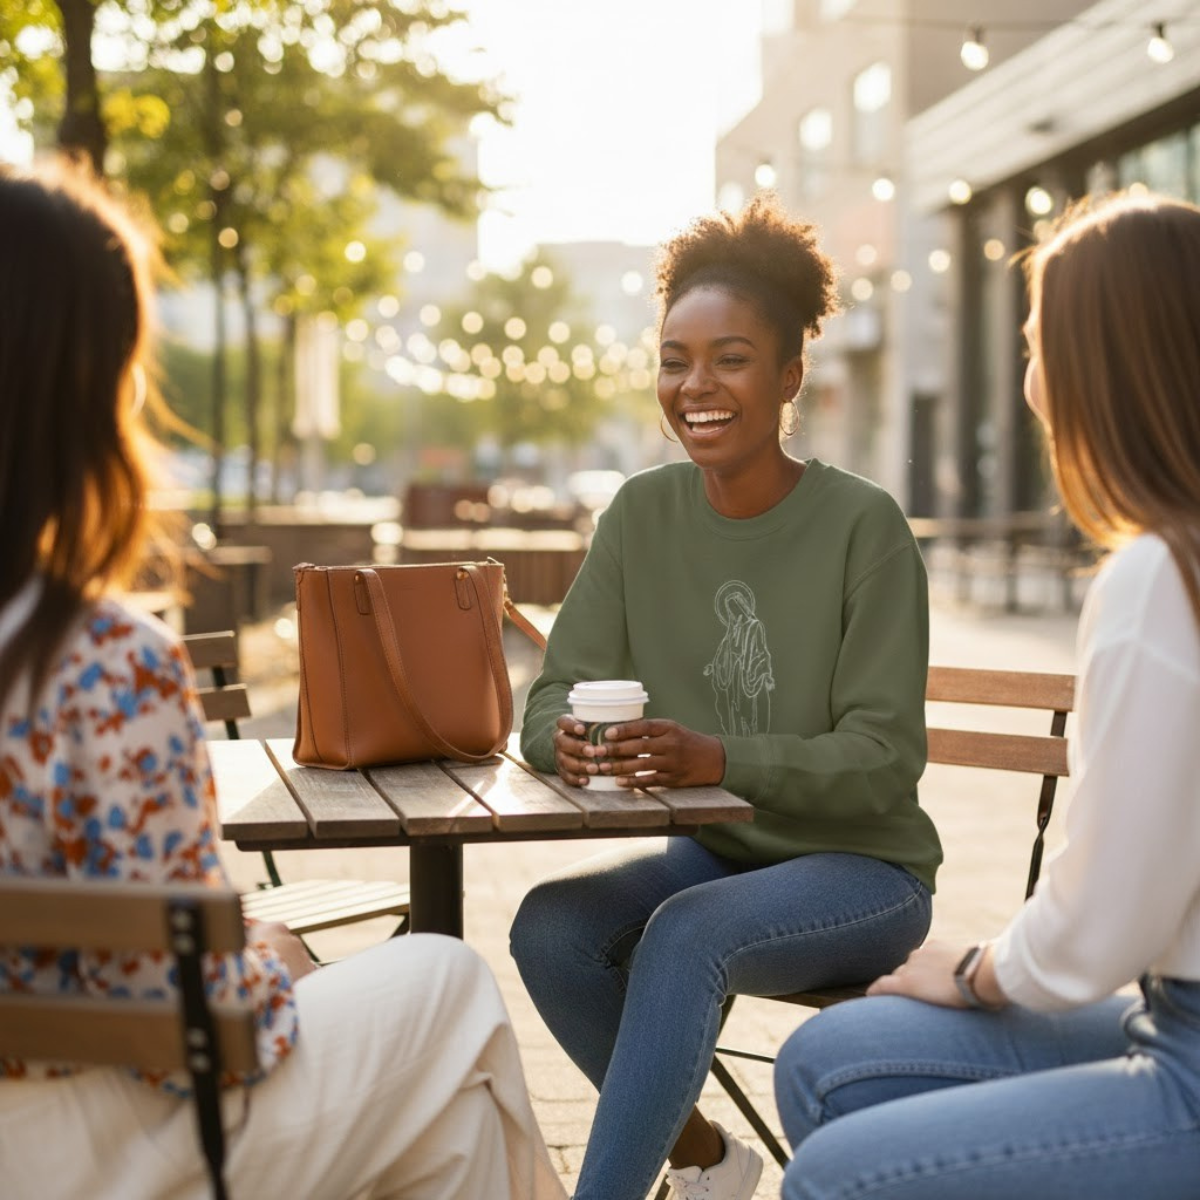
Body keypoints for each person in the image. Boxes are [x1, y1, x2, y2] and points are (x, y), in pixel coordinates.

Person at [0, 160, 565, 1200]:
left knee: (451, 1128)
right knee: (449, 988)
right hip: (81, 1142)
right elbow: (187, 1039)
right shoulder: (101, 666)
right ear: (95, 388)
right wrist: (269, 964)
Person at [509, 193, 943, 1200]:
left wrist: (722, 758)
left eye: (730, 359)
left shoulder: (863, 528)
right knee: (550, 930)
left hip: (862, 872)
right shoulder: (639, 515)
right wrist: (566, 743)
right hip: (711, 857)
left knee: (687, 935)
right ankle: (707, 1165)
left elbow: (885, 760)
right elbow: (548, 699)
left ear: (790, 375)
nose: (695, 385)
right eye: (674, 359)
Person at [772, 191, 1200, 1199]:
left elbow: (1100, 930)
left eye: (1039, 342)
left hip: (1184, 1049)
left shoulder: (1160, 581)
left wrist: (977, 972)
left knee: (835, 1176)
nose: (1034, 380)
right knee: (833, 1060)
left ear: (1106, 367)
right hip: (1165, 1002)